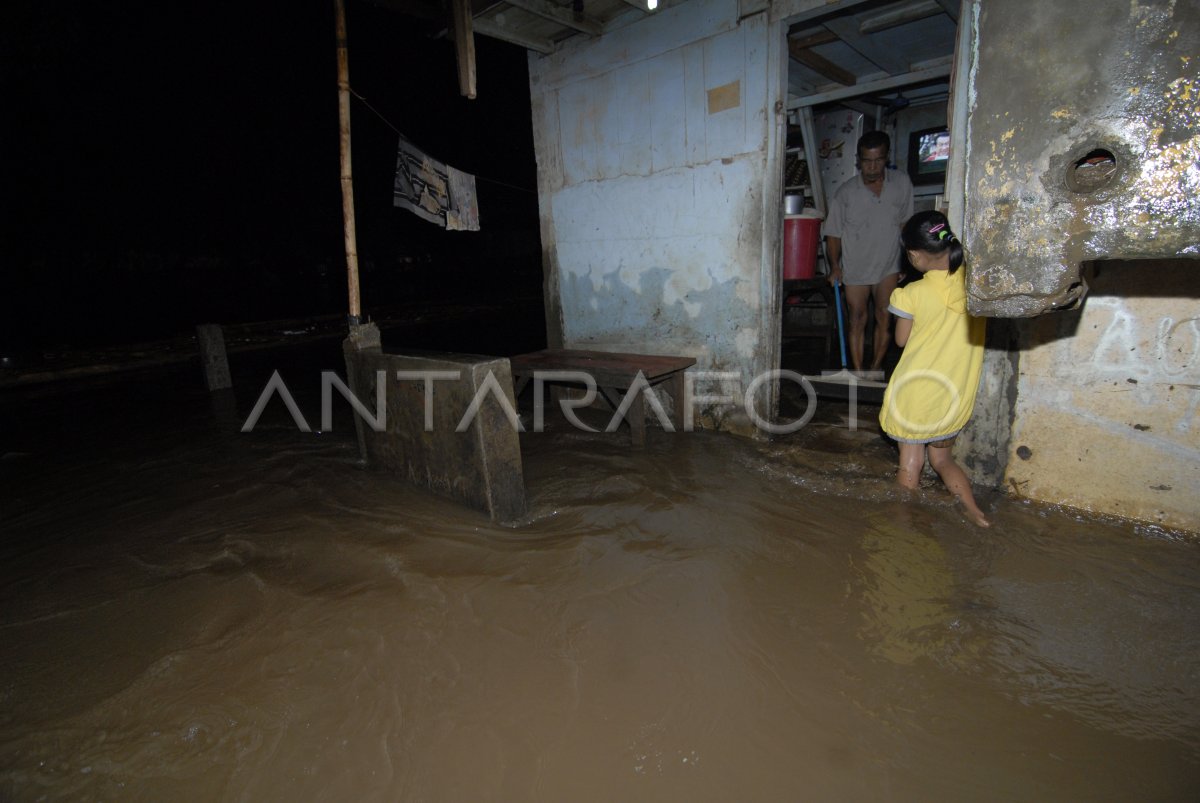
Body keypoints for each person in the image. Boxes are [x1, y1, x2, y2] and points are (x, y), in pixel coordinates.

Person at [879, 211, 989, 527]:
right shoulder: (975, 287)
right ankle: (974, 513)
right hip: (954, 393)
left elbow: (901, 341)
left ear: (914, 255)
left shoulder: (911, 293)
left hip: (917, 391)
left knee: (910, 466)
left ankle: (901, 526)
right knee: (942, 460)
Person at [823, 131, 913, 373]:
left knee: (885, 317)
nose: (872, 167)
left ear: (886, 158)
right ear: (858, 160)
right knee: (857, 318)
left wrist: (907, 260)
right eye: (866, 161)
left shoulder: (902, 184)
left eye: (878, 160)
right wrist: (835, 266)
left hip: (889, 264)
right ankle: (858, 371)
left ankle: (875, 369)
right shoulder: (845, 193)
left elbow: (906, 225)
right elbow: (833, 233)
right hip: (855, 266)